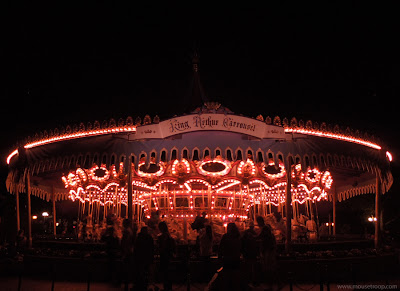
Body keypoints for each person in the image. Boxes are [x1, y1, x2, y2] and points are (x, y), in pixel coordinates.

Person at [218, 222, 241, 291]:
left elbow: (220, 248)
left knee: (227, 276)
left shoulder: (226, 236)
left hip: (227, 259)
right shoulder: (238, 237)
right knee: (235, 276)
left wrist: (220, 257)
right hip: (236, 258)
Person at [256, 216, 277, 288]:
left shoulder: (265, 228)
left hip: (268, 249)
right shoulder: (264, 228)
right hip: (267, 248)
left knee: (268, 266)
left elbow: (261, 237)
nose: (258, 224)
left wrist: (252, 237)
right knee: (268, 266)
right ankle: (270, 282)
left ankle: (270, 282)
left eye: (258, 222)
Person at [134, 226, 154, 291]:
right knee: (144, 272)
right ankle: (143, 284)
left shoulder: (139, 238)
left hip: (141, 258)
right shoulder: (147, 238)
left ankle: (141, 284)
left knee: (142, 272)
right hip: (145, 257)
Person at [101, 217, 120, 285]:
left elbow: (102, 239)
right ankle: (112, 278)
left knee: (111, 266)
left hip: (110, 253)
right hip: (112, 253)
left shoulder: (110, 238)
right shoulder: (114, 238)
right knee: (112, 266)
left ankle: (111, 278)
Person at [158, 221, 175, 291]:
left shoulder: (164, 236)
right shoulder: (167, 235)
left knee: (166, 273)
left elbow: (164, 246)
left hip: (165, 256)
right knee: (167, 273)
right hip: (167, 256)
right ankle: (167, 287)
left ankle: (167, 287)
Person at [241, 222, 258, 286]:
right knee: (252, 267)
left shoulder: (247, 233)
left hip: (248, 252)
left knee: (249, 267)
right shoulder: (253, 233)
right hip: (251, 252)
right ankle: (252, 280)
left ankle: (249, 280)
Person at [120, 219, 134, 289]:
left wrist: (125, 252)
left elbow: (126, 242)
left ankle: (126, 283)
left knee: (126, 268)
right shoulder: (129, 231)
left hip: (127, 252)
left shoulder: (127, 231)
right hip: (128, 251)